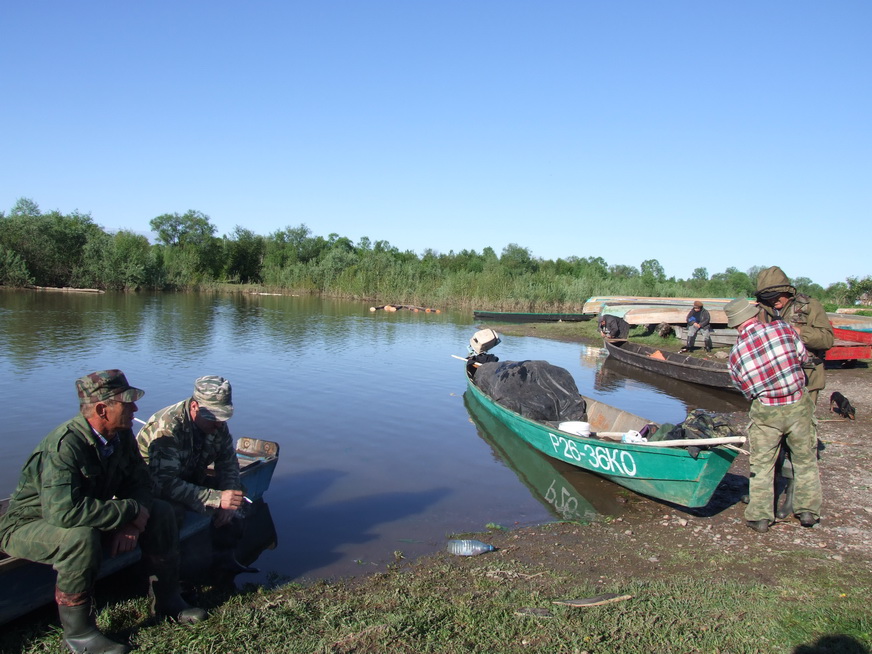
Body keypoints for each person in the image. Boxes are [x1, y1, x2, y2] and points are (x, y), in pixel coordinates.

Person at [0, 370, 206, 654]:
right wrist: (129, 510)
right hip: (27, 525)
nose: (135, 408)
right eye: (127, 403)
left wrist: (131, 524)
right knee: (79, 538)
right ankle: (79, 634)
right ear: (102, 409)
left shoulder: (120, 437)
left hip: (81, 516)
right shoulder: (65, 446)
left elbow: (142, 483)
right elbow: (64, 514)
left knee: (160, 511)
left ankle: (168, 601)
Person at [136, 376, 254, 576]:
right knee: (172, 512)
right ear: (194, 406)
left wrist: (230, 494)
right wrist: (217, 499)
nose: (218, 423)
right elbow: (164, 484)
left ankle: (224, 560)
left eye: (222, 417)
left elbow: (228, 462)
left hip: (188, 477)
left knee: (239, 498)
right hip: (152, 487)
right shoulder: (168, 427)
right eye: (213, 417)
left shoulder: (217, 425)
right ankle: (173, 577)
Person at [725, 299, 822, 533]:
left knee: (762, 465)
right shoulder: (783, 328)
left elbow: (746, 390)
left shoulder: (735, 354)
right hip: (797, 404)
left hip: (766, 410)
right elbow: (802, 358)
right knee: (805, 459)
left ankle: (760, 517)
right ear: (756, 315)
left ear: (737, 325)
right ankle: (807, 511)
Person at [755, 266, 834, 518]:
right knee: (769, 441)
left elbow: (827, 340)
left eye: (776, 296)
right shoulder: (762, 311)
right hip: (772, 383)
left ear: (788, 293)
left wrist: (796, 331)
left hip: (805, 381)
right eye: (767, 298)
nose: (773, 302)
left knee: (800, 443)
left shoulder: (811, 307)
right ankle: (768, 493)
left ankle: (795, 496)